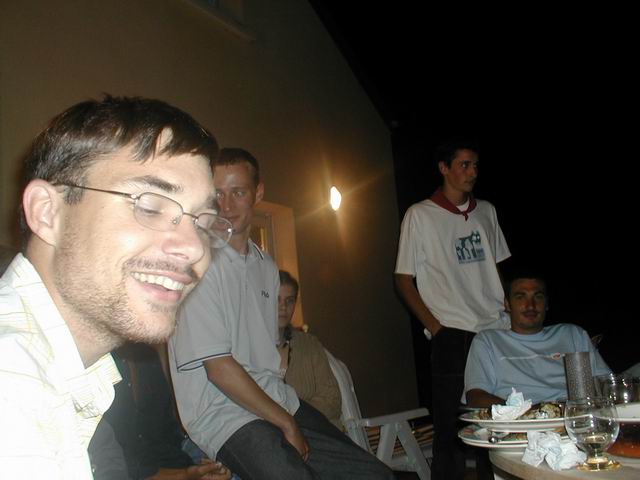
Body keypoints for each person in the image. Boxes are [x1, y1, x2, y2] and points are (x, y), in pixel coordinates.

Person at [0, 95, 233, 478]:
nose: (194, 248)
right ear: (47, 211)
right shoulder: (12, 386)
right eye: (150, 206)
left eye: (204, 223)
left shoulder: (71, 376)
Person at [169, 148, 395, 480]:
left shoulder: (266, 266)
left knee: (374, 475)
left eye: (238, 192)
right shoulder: (197, 264)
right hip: (223, 415)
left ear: (258, 193)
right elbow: (219, 369)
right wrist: (286, 423)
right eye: (218, 194)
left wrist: (286, 413)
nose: (226, 205)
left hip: (276, 400)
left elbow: (265, 352)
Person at [395, 139, 510, 480]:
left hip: (494, 331)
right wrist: (436, 327)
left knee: (498, 424)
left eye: (475, 165)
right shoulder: (420, 215)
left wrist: (506, 304)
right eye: (464, 164)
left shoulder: (486, 211)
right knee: (450, 429)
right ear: (444, 168)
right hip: (452, 333)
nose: (472, 172)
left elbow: (495, 264)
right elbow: (403, 279)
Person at [464, 275, 612, 406]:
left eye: (538, 296)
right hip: (516, 421)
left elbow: (607, 386)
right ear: (507, 304)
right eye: (520, 297)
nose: (530, 305)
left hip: (572, 417)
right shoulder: (489, 341)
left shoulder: (572, 335)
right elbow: (475, 397)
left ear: (547, 303)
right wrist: (526, 413)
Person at [98, 343, 231, 479]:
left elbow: (168, 431)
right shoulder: (95, 371)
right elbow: (119, 466)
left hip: (175, 461)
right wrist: (187, 474)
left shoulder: (147, 357)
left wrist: (204, 467)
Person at [277, 270, 342, 429]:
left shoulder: (309, 344)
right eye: (276, 300)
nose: (283, 307)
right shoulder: (250, 350)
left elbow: (332, 399)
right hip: (275, 437)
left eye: (289, 300)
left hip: (319, 432)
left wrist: (292, 416)